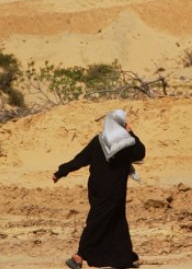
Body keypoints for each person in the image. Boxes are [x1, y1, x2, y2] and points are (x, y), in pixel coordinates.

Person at [53, 109, 146, 269]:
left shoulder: (99, 140)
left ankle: (125, 257)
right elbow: (140, 152)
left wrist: (62, 171)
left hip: (97, 188)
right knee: (98, 221)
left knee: (117, 221)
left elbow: (81, 159)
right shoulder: (124, 143)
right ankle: (79, 256)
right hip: (113, 190)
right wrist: (131, 134)